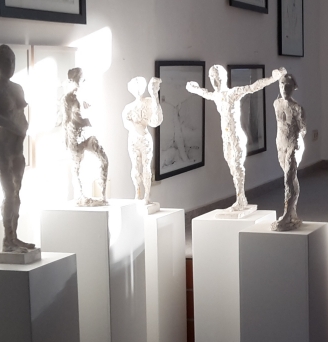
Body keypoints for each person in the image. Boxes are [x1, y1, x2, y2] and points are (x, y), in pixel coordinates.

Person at [187, 65, 286, 211]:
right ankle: (240, 197)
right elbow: (205, 93)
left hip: (236, 136)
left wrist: (273, 78)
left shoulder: (233, 93)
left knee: (238, 166)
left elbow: (253, 87)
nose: (214, 81)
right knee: (232, 167)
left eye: (216, 77)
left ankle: (241, 199)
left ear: (223, 77)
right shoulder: (216, 96)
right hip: (226, 136)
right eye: (211, 78)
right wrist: (193, 88)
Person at [0, 45, 36, 251]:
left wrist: (22, 129)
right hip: (2, 141)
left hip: (16, 143)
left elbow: (21, 115)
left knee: (17, 191)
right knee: (9, 191)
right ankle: (7, 239)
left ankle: (14, 236)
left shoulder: (17, 88)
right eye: (6, 61)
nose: (10, 65)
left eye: (12, 61)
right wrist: (12, 125)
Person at [59, 67, 109, 206]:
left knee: (104, 159)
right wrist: (65, 140)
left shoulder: (83, 94)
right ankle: (81, 196)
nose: (84, 79)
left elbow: (91, 111)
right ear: (75, 79)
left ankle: (103, 195)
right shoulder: (68, 98)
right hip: (75, 134)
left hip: (87, 132)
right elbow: (66, 120)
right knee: (77, 167)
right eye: (81, 77)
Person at [272, 72, 306, 231]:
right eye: (282, 85)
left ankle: (287, 214)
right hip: (281, 143)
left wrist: (295, 145)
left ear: (293, 88)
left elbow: (303, 130)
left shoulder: (297, 108)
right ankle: (293, 212)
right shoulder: (276, 104)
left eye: (288, 86)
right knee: (290, 178)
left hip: (294, 142)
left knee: (288, 178)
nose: (285, 88)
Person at [122, 76, 164, 205]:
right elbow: (127, 123)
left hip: (145, 138)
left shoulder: (149, 102)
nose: (138, 89)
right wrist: (135, 127)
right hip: (133, 139)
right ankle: (137, 193)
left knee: (146, 166)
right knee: (135, 166)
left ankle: (146, 195)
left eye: (139, 86)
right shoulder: (128, 107)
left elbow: (156, 121)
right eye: (135, 86)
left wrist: (155, 96)